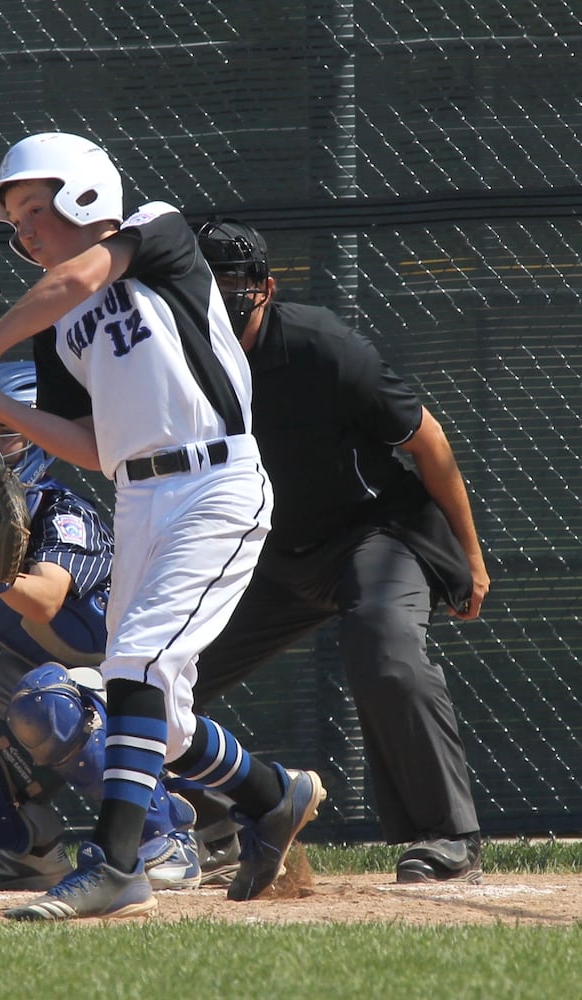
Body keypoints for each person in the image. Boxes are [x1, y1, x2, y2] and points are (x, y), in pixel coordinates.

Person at [0, 132, 325, 919]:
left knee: (136, 665)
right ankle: (271, 795)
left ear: (85, 195)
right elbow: (91, 445)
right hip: (139, 497)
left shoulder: (158, 233)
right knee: (162, 722)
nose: (26, 232)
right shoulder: (57, 327)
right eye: (16, 220)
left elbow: (79, 274)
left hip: (215, 481)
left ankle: (115, 865)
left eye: (37, 208)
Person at [187, 219, 490, 884]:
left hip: (371, 535)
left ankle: (448, 838)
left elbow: (427, 442)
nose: (215, 292)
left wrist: (469, 556)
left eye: (232, 280)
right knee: (156, 678)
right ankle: (221, 829)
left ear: (264, 288)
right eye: (200, 278)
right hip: (263, 548)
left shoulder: (319, 344)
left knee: (383, 649)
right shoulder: (175, 361)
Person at [0, 360, 201, 893]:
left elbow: (45, 601)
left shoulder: (61, 512)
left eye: (1, 429)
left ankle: (164, 833)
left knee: (44, 700)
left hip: (124, 688)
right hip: (48, 679)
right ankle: (25, 849)